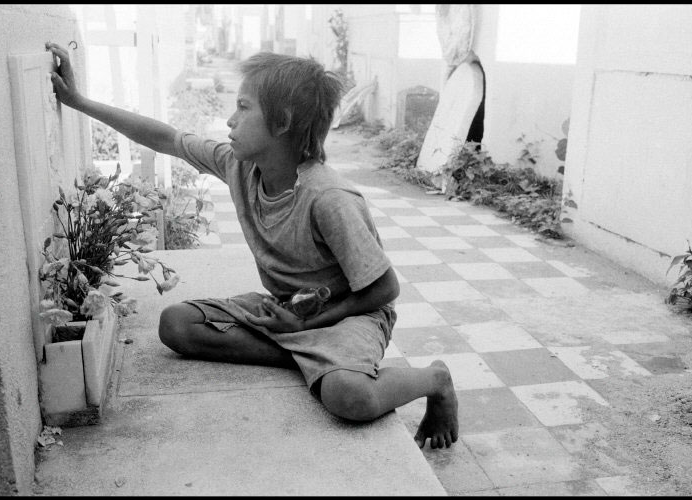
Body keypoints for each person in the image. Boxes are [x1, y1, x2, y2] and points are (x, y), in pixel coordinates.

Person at [45, 42, 459, 449]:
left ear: (282, 122)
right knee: (176, 325)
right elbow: (168, 138)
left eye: (243, 108)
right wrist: (79, 102)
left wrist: (311, 324)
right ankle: (308, 355)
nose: (230, 120)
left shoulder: (328, 199)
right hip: (291, 308)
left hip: (352, 315)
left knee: (349, 397)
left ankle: (434, 380)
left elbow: (384, 290)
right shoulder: (239, 165)